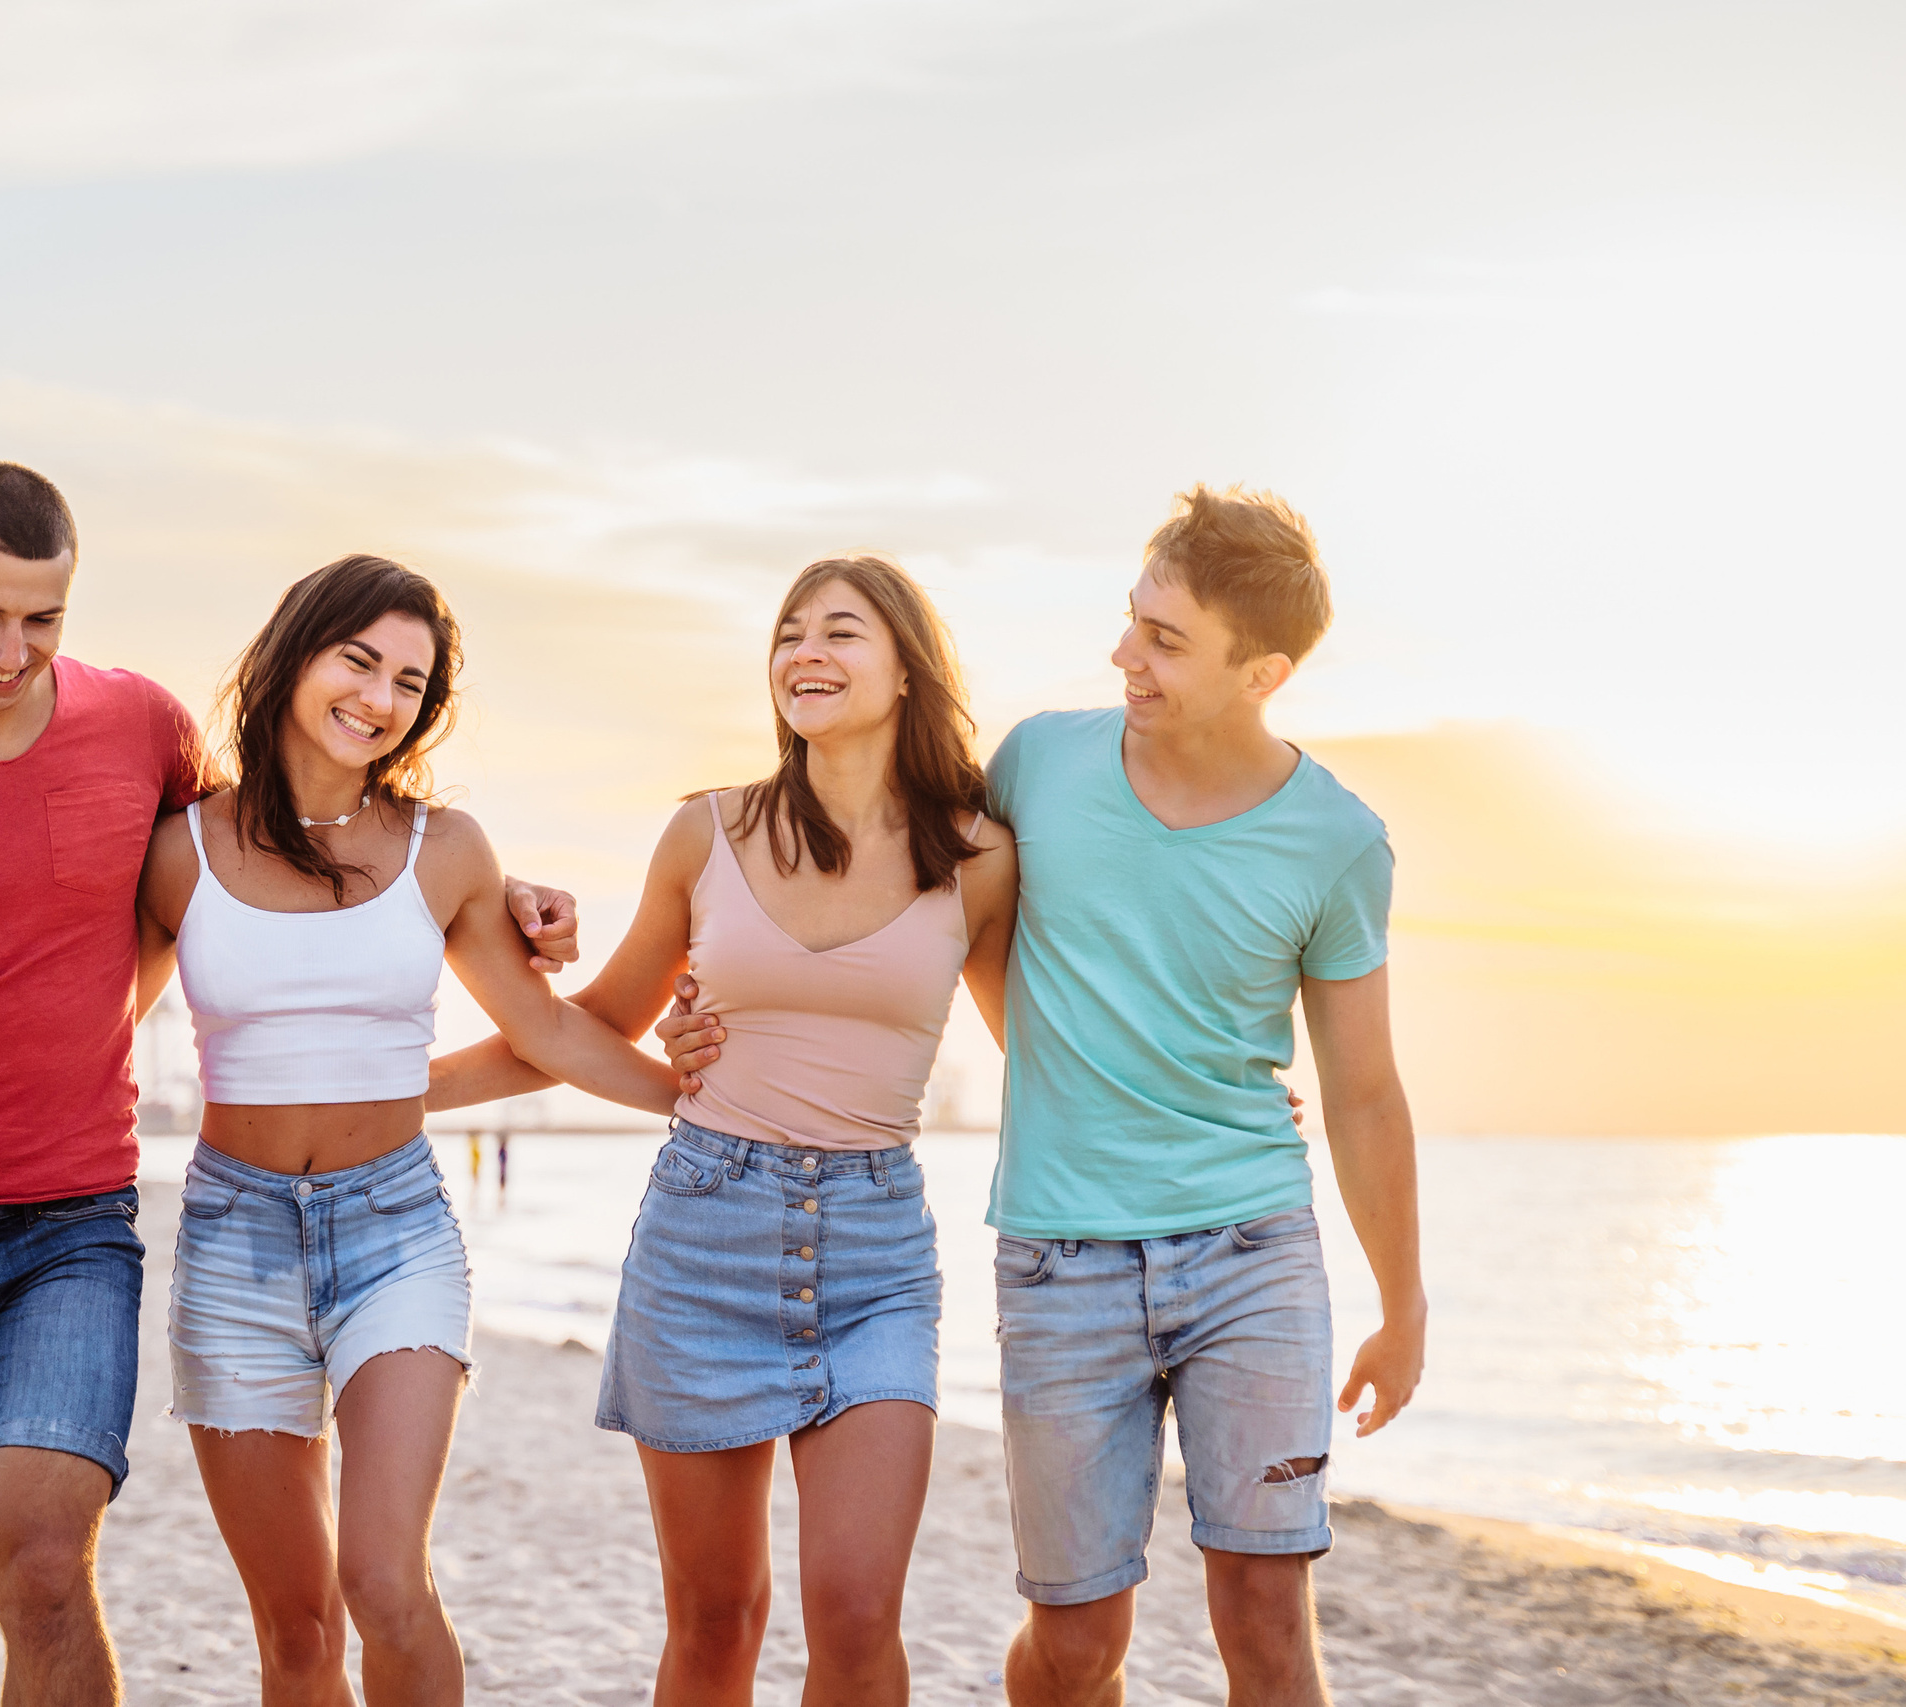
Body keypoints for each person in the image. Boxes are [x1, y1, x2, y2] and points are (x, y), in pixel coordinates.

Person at [0, 470, 581, 1707]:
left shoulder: (141, 729)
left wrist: (510, 909)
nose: (10, 650)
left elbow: (286, 868)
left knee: (44, 1565)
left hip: (66, 1229)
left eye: (43, 619)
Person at [433, 555, 1019, 1707]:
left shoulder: (978, 857)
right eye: (789, 632)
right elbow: (588, 1025)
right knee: (715, 1620)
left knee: (856, 1617)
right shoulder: (706, 834)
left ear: (907, 671)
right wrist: (393, 1092)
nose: (806, 651)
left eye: (841, 632)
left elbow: (1042, 1052)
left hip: (875, 1254)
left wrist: (1213, 1097)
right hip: (704, 1238)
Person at [134, 553, 685, 1707]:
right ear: (296, 655)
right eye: (358, 661)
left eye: (408, 683)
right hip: (234, 1244)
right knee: (295, 1632)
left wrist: (701, 1098)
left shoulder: (447, 850)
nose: (378, 699)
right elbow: (80, 1029)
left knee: (382, 1582)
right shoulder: (179, 849)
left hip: (394, 1230)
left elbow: (547, 1030)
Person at [971, 486, 1424, 1707]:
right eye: (1132, 620)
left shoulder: (1336, 840)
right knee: (1073, 1649)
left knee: (1267, 1625)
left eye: (1165, 641)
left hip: (1252, 1256)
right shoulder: (1035, 763)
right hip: (1059, 1261)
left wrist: (1403, 1302)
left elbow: (1366, 1094)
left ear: (1261, 671)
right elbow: (946, 915)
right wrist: (1062, 1062)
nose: (1126, 655)